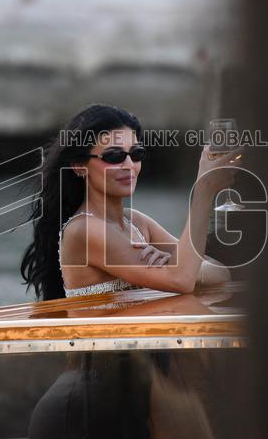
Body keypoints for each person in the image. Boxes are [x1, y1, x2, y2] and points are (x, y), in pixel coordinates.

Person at [21, 104, 241, 300]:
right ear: (79, 166)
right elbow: (182, 280)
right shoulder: (84, 231)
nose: (129, 165)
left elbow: (220, 273)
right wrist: (203, 191)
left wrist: (172, 262)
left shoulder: (137, 222)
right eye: (114, 156)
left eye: (136, 154)